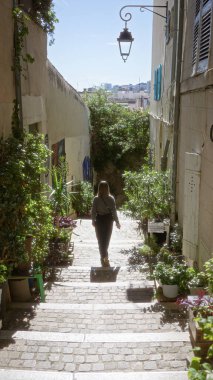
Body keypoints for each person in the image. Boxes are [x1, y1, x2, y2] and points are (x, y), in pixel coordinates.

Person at [91, 181, 120, 267]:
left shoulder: (96, 199)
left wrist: (93, 220)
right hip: (108, 220)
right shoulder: (111, 198)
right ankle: (104, 257)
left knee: (100, 240)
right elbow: (114, 211)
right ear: (108, 188)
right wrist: (117, 221)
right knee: (106, 239)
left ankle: (104, 257)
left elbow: (93, 211)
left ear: (99, 188)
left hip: (99, 220)